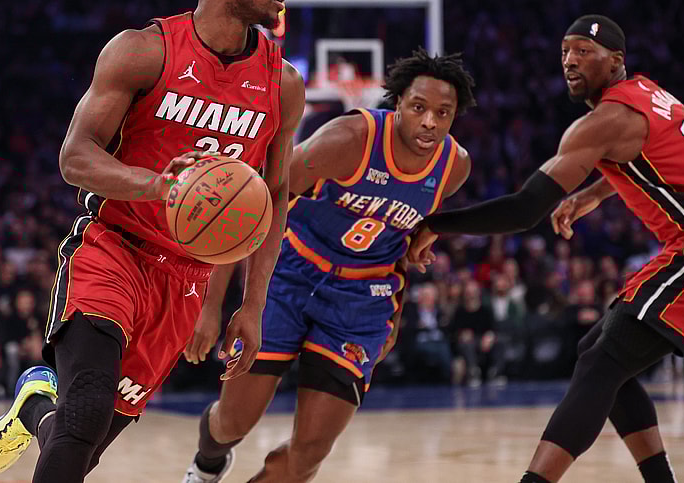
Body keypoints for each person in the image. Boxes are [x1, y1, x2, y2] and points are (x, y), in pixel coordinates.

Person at [0, 0, 305, 480]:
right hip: (115, 248)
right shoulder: (144, 51)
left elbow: (274, 196)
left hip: (187, 279)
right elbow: (75, 157)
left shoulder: (283, 84)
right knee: (84, 414)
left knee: (82, 444)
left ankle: (34, 409)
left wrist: (252, 306)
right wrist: (158, 186)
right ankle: (51, 410)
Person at [409, 14, 684, 483]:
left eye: (584, 51)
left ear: (616, 61)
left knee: (601, 364)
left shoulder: (604, 120)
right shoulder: (649, 95)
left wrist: (438, 224)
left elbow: (525, 210)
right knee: (597, 352)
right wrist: (593, 192)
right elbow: (654, 153)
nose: (570, 60)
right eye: (566, 51)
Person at [180, 48, 475, 483]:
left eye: (443, 112)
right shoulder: (349, 140)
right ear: (397, 104)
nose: (430, 121)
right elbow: (250, 205)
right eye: (419, 107)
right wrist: (212, 307)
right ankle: (207, 465)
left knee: (310, 454)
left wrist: (423, 237)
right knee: (233, 422)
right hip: (290, 273)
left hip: (362, 300)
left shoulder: (455, 167)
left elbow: (412, 220)